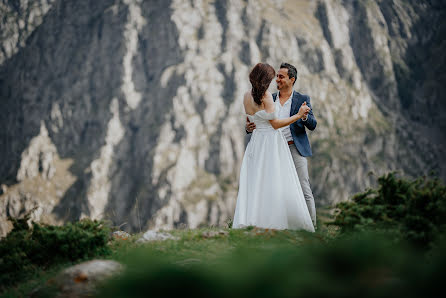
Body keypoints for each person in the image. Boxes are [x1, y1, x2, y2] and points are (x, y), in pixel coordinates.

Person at [232, 63, 314, 232]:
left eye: (281, 76)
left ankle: (310, 224)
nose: (276, 79)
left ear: (292, 80)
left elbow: (312, 124)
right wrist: (297, 115)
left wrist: (303, 117)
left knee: (298, 188)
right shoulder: (269, 96)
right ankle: (278, 224)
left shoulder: (247, 96)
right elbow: (273, 124)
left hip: (273, 145)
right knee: (275, 184)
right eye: (274, 76)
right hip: (272, 145)